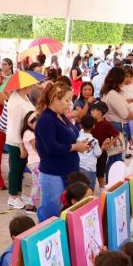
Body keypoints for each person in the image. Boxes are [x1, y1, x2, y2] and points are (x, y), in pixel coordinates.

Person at [35, 82, 89, 222]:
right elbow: (52, 148)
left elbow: (69, 136)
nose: (70, 104)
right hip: (53, 175)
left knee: (62, 213)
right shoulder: (46, 119)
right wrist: (75, 147)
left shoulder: (60, 116)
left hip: (66, 173)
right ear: (55, 99)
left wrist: (80, 144)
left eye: (71, 99)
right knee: (50, 217)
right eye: (67, 100)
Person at [5, 72, 38, 210]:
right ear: (24, 86)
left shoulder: (24, 97)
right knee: (16, 169)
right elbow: (15, 127)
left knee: (19, 169)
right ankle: (13, 197)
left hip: (23, 139)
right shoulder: (16, 102)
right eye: (30, 85)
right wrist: (21, 147)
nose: (32, 86)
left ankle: (17, 194)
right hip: (16, 142)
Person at [103, 66, 133, 167]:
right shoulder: (113, 93)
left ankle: (112, 176)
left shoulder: (114, 92)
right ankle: (113, 177)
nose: (126, 80)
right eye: (124, 77)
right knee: (116, 160)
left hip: (117, 125)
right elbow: (125, 114)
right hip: (118, 126)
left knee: (115, 158)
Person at [89, 101, 120, 191]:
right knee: (91, 173)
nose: (91, 111)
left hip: (101, 154)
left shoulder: (106, 124)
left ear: (99, 112)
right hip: (90, 153)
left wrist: (109, 144)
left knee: (100, 175)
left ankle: (103, 193)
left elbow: (117, 135)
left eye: (93, 110)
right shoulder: (91, 122)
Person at [77, 115, 103, 190]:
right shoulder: (94, 141)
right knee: (89, 191)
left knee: (79, 191)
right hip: (89, 169)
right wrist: (103, 147)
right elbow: (98, 154)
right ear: (93, 126)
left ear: (81, 125)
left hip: (77, 166)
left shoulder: (77, 136)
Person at [21, 111, 39, 214]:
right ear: (29, 123)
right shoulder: (29, 133)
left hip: (35, 161)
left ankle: (31, 205)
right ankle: (30, 206)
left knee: (37, 184)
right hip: (35, 162)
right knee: (37, 184)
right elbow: (36, 148)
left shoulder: (30, 132)